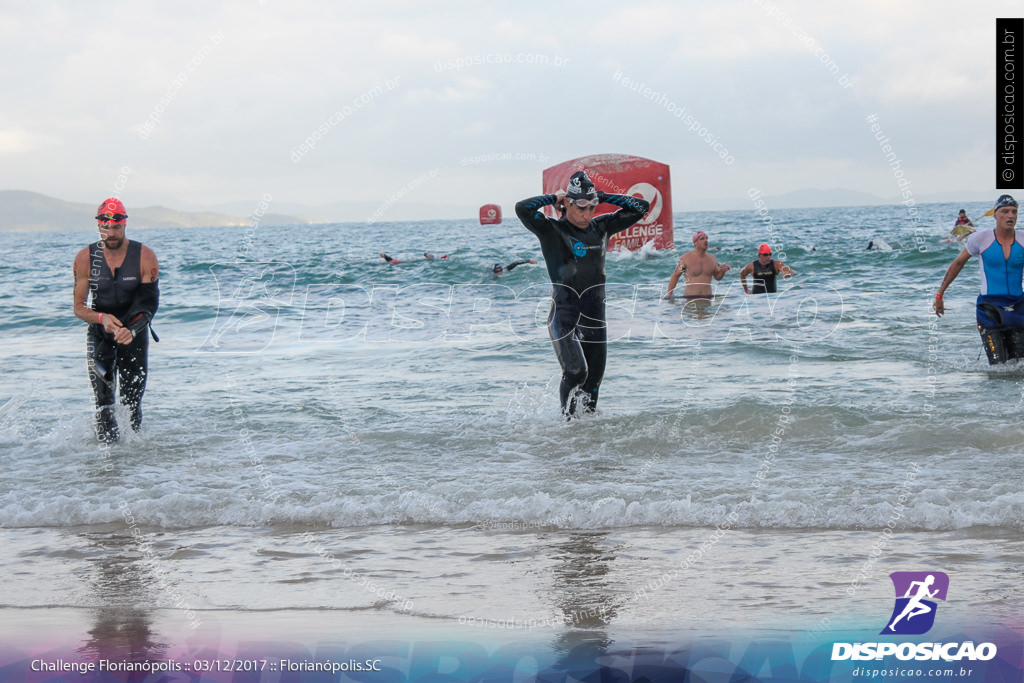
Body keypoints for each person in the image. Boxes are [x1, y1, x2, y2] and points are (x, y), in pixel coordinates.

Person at [515, 171, 649, 417]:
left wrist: (604, 196)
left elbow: (641, 207)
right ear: (567, 204)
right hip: (564, 315)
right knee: (576, 372)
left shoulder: (601, 227)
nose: (587, 216)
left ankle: (585, 436)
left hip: (595, 317)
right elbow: (522, 208)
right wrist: (552, 197)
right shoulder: (551, 229)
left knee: (593, 382)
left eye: (591, 209)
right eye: (581, 208)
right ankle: (566, 424)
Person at [73, 198, 159, 442]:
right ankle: (107, 463)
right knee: (103, 400)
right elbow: (78, 308)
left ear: (125, 224)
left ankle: (132, 464)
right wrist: (101, 318)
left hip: (135, 333)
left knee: (132, 401)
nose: (111, 233)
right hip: (101, 333)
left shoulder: (145, 256)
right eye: (105, 226)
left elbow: (149, 303)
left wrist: (131, 329)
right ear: (99, 225)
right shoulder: (84, 259)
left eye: (116, 227)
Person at [934, 195, 1022, 363]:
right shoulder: (980, 239)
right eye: (1005, 211)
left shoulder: (1023, 239)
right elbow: (958, 263)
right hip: (989, 308)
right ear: (995, 215)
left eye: (1014, 212)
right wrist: (940, 295)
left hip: (1018, 307)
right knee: (998, 365)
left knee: (1019, 366)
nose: (1010, 215)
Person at [664, 231, 731, 299]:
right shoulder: (685, 258)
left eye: (706, 238)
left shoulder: (712, 258)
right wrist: (669, 294)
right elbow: (675, 276)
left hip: (707, 298)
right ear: (695, 243)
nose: (706, 241)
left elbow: (717, 277)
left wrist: (722, 272)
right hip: (690, 298)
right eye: (702, 239)